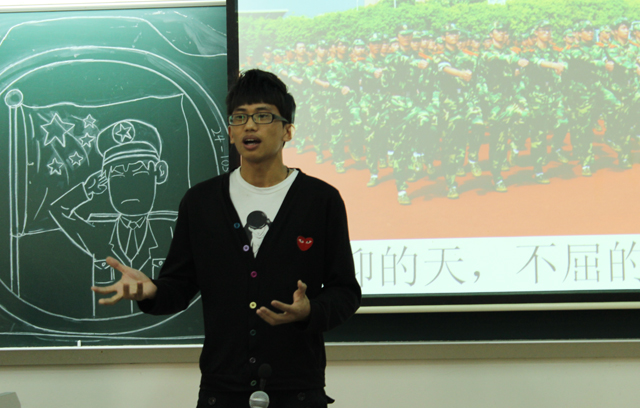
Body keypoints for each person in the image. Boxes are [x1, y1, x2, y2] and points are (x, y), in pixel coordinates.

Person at [91, 69, 362, 407]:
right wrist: (153, 291)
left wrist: (312, 311)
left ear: (288, 130)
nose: (250, 126)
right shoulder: (201, 202)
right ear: (231, 132)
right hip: (222, 391)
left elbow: (345, 291)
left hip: (298, 390)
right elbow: (180, 285)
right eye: (240, 117)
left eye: (263, 116)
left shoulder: (320, 200)